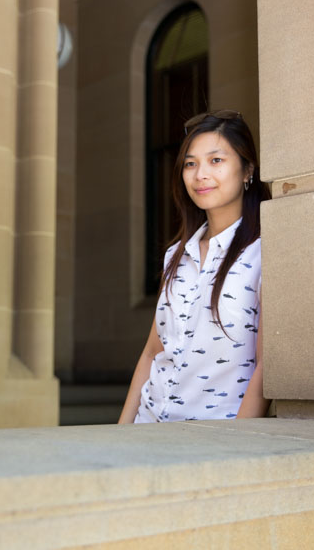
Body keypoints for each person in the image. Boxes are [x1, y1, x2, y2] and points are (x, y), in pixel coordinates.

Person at [119, 110, 271, 424]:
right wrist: (121, 431)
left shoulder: (263, 253)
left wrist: (237, 451)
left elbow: (265, 366)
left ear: (247, 170)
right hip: (146, 428)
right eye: (191, 163)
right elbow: (151, 353)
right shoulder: (176, 255)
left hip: (212, 443)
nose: (200, 174)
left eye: (216, 160)